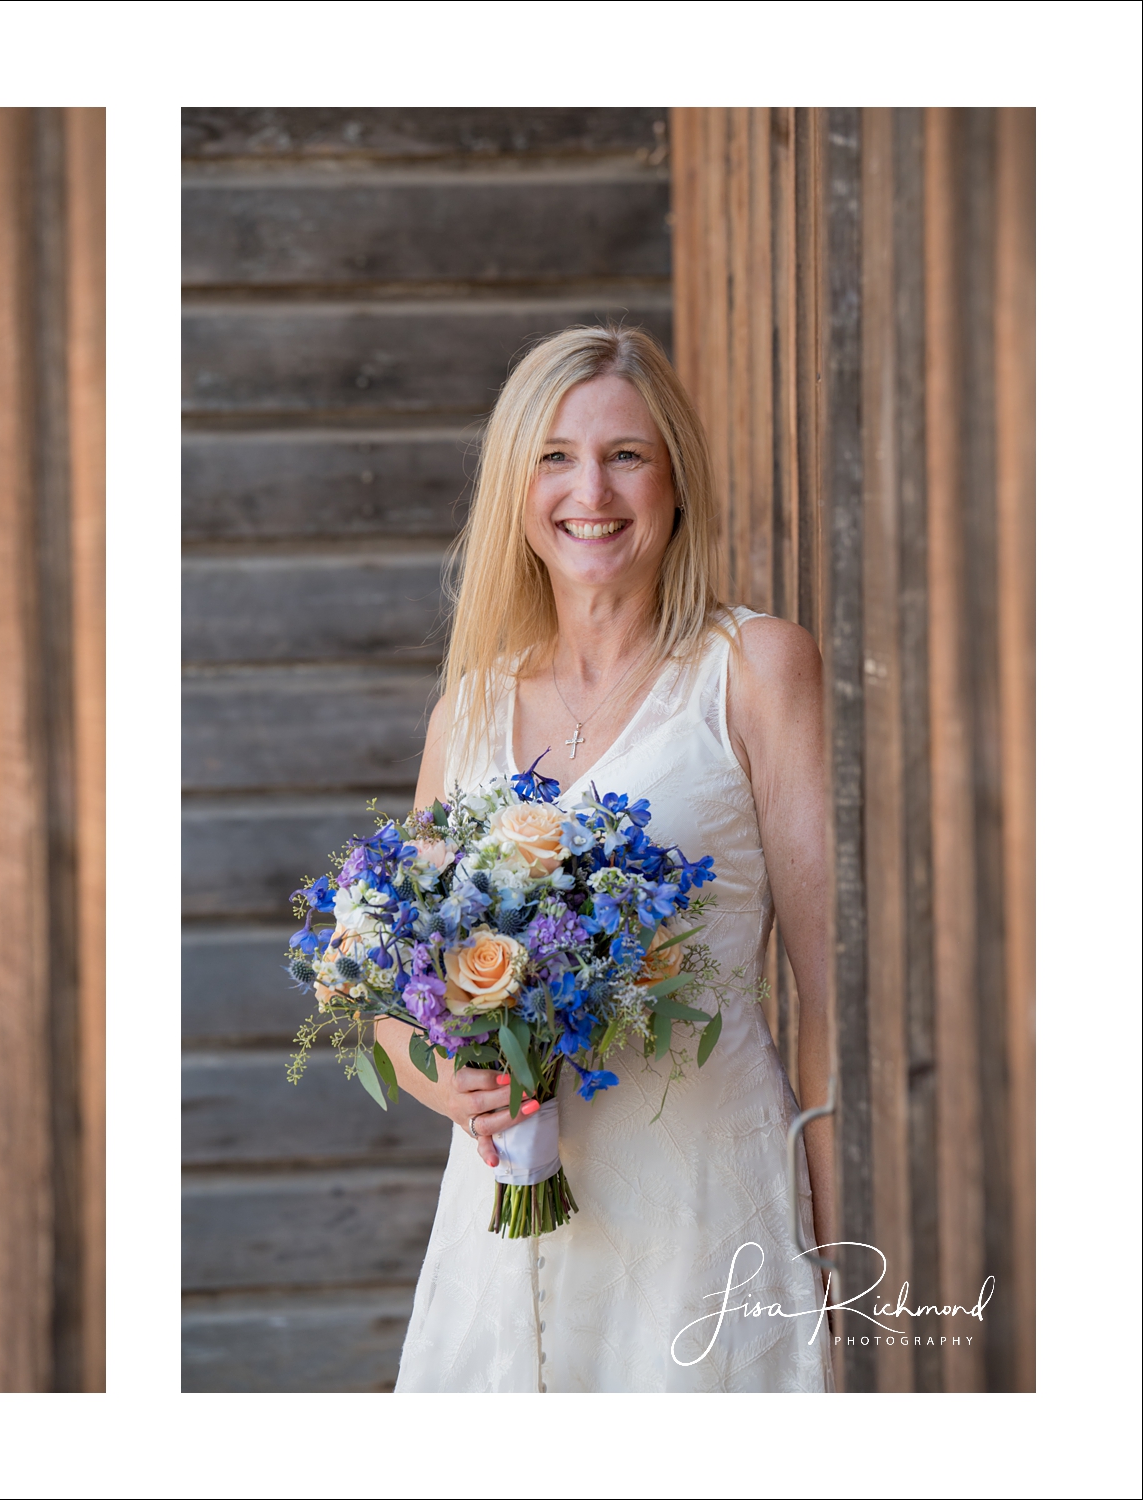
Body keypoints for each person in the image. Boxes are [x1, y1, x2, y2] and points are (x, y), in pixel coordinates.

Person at [385, 324, 834, 1392]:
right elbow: (392, 996)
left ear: (674, 477)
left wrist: (835, 1246)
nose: (590, 488)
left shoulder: (753, 669)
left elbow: (832, 994)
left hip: (701, 1214)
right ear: (514, 487)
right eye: (554, 455)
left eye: (625, 453)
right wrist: (439, 1076)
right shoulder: (470, 710)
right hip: (499, 1230)